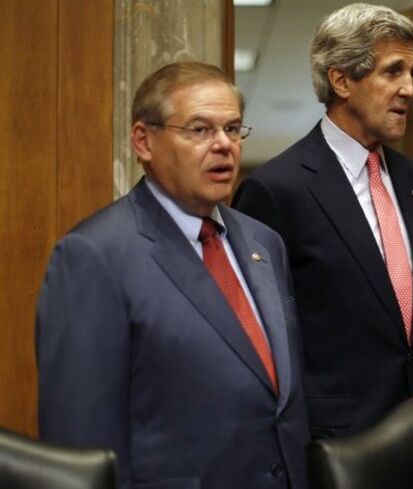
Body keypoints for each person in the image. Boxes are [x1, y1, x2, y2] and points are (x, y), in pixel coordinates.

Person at [36, 61, 309, 489]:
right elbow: (79, 449)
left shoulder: (264, 243)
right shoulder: (94, 255)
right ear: (144, 140)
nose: (223, 145)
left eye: (233, 129)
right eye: (200, 130)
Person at [232, 3, 413, 438]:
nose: (409, 90)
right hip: (335, 442)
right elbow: (261, 339)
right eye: (393, 71)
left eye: (411, 73)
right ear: (341, 80)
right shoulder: (275, 190)